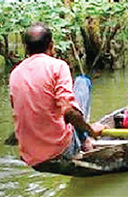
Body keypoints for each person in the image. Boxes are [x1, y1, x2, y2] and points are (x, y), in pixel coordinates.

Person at [9, 23, 104, 172]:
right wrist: (91, 130)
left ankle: (82, 138)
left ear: (26, 48)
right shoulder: (58, 66)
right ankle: (85, 138)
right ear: (51, 45)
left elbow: (21, 110)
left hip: (30, 155)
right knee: (82, 82)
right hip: (61, 150)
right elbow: (69, 111)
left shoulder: (15, 73)